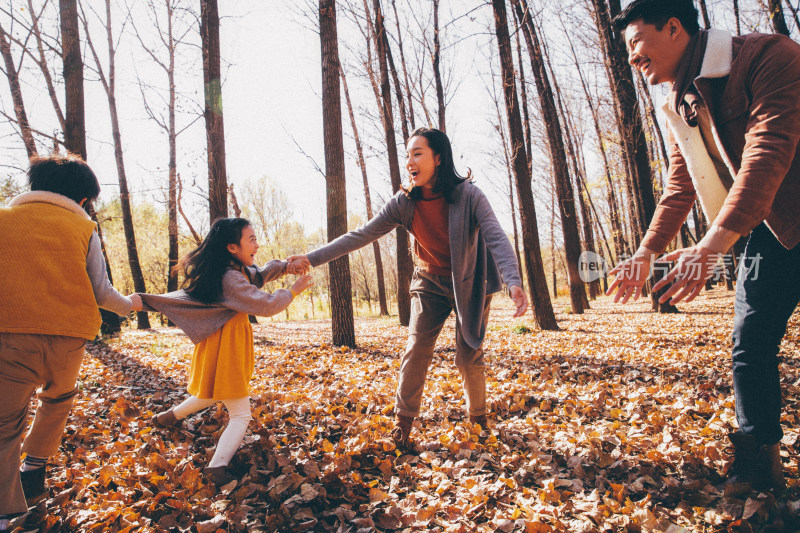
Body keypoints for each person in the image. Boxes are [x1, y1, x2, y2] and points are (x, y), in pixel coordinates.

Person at [608, 0, 800, 493]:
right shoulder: (676, 102)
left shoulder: (768, 56)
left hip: (777, 208)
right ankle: (761, 467)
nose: (632, 58)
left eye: (636, 44)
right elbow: (681, 183)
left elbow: (768, 152)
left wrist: (711, 246)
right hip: (770, 231)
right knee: (749, 344)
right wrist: (646, 253)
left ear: (674, 28)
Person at [288, 127, 528, 448]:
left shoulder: (469, 195)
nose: (410, 161)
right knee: (416, 349)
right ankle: (402, 428)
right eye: (407, 156)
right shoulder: (404, 203)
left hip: (470, 279)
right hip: (429, 280)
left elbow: (496, 236)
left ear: (438, 158)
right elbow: (360, 235)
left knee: (467, 356)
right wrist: (311, 258)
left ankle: (478, 420)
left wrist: (513, 280)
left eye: (418, 153)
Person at [0, 154, 140, 530]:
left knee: (5, 425)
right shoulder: (84, 229)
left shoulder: (3, 219)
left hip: (11, 336)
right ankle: (35, 465)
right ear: (82, 199)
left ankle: (6, 512)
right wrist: (129, 305)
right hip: (69, 338)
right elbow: (100, 290)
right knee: (58, 399)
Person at [140, 217, 313, 485]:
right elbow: (265, 305)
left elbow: (259, 274)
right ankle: (217, 467)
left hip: (219, 345)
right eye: (251, 239)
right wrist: (292, 291)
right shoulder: (230, 278)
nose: (257, 244)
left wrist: (284, 266)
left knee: (210, 391)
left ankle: (167, 418)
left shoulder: (231, 270)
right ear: (233, 247)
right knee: (241, 414)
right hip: (226, 350)